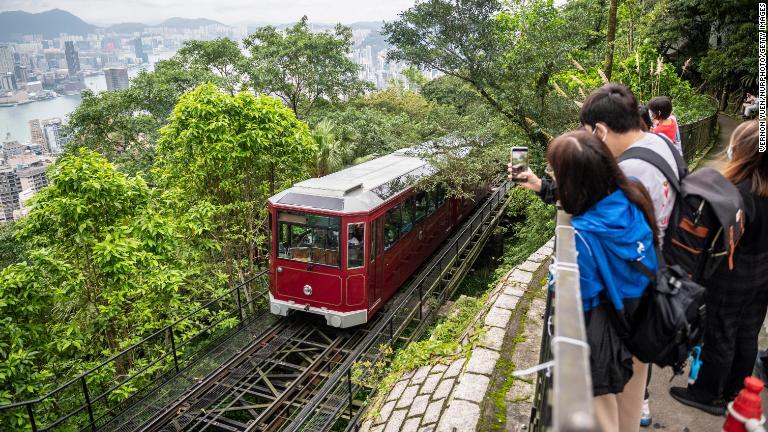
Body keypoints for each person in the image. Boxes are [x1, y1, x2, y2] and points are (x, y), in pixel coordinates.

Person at [511, 84, 683, 427]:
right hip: (648, 294)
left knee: (605, 407)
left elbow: (581, 291)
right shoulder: (655, 150)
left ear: (600, 129)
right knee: (632, 398)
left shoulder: (629, 178)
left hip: (615, 318)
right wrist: (544, 188)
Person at [547, 130, 658, 432]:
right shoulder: (634, 194)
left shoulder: (584, 232)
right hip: (644, 318)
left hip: (613, 333)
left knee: (605, 416)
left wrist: (556, 275)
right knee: (631, 408)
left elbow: (581, 293)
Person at [669, 120, 768, 415]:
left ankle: (708, 394)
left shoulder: (739, 192)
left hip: (734, 274)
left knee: (721, 332)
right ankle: (736, 391)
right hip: (763, 271)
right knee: (748, 332)